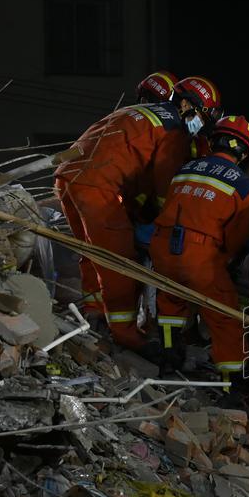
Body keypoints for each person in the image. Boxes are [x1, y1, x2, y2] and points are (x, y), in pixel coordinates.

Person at [54, 76, 222, 348]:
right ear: (188, 105)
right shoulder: (174, 130)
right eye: (203, 114)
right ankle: (126, 334)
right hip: (98, 186)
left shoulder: (138, 112)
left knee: (91, 251)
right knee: (118, 260)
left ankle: (95, 313)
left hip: (66, 179)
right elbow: (164, 186)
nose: (201, 122)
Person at [150, 115, 249, 388]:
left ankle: (168, 360)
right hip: (199, 255)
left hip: (162, 246)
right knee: (224, 316)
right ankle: (230, 383)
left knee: (170, 301)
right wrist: (221, 262)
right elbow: (234, 238)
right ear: (244, 151)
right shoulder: (244, 185)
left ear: (213, 140)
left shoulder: (185, 169)